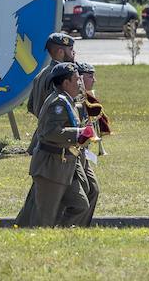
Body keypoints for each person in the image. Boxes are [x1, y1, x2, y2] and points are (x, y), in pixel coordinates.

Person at [17, 62, 95, 227]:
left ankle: (59, 235)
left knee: (80, 205)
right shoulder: (58, 103)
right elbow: (50, 132)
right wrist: (78, 134)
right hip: (51, 167)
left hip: (65, 165)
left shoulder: (68, 100)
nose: (80, 83)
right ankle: (37, 244)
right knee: (44, 217)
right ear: (66, 83)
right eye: (77, 80)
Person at [17, 32, 76, 225]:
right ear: (60, 51)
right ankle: (42, 227)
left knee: (39, 193)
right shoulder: (61, 78)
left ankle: (22, 226)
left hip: (43, 139)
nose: (73, 53)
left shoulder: (41, 75)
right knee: (49, 194)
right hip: (56, 142)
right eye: (70, 50)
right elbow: (57, 112)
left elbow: (32, 106)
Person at [73, 61, 100, 225]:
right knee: (79, 194)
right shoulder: (75, 99)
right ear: (80, 78)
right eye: (90, 76)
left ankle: (82, 226)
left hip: (83, 153)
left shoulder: (88, 97)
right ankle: (70, 226)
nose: (94, 80)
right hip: (72, 154)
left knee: (93, 190)